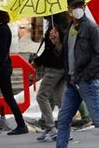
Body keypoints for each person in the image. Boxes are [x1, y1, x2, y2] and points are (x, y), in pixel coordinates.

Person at [50, 0, 99, 148]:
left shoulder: (92, 28)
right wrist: (57, 44)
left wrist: (86, 76)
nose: (78, 9)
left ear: (85, 6)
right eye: (74, 6)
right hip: (72, 84)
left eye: (80, 5)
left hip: (86, 83)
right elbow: (66, 55)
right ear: (68, 9)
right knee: (63, 119)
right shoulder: (70, 28)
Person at [34, 12, 71, 142]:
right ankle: (64, 130)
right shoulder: (66, 26)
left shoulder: (54, 29)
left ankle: (51, 127)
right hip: (63, 68)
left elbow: (50, 52)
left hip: (54, 69)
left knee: (41, 96)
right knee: (60, 99)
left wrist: (37, 61)